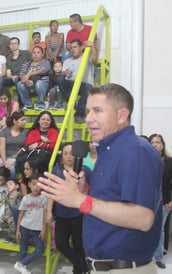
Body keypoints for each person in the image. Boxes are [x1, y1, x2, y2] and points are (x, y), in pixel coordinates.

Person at [38, 83, 163, 274]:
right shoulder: (108, 151)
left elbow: (143, 218)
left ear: (121, 115)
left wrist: (80, 200)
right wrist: (82, 190)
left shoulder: (135, 152)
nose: (88, 119)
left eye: (97, 111)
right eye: (88, 111)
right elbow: (110, 201)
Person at [48, 142, 90, 274]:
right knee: (61, 244)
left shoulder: (84, 169)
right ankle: (83, 265)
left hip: (78, 213)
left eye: (71, 153)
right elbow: (51, 193)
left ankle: (78, 270)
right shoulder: (57, 170)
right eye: (65, 153)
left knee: (79, 245)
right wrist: (49, 211)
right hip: (61, 214)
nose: (68, 156)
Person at [14, 175, 47, 274]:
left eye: (38, 185)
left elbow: (45, 215)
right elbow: (21, 214)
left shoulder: (44, 198)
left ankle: (21, 263)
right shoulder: (26, 199)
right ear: (29, 185)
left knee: (40, 250)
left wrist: (43, 229)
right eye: (33, 184)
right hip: (24, 227)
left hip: (37, 230)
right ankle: (23, 267)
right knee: (23, 249)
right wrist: (18, 230)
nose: (36, 187)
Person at [149, 133, 172, 269]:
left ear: (162, 145)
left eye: (158, 142)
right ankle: (147, 256)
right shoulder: (146, 159)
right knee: (146, 228)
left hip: (164, 201)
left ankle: (158, 257)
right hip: (147, 200)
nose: (156, 145)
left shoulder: (169, 162)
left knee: (159, 230)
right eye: (153, 142)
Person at [62, 39, 98, 122]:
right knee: (60, 79)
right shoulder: (67, 61)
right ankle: (71, 101)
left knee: (88, 89)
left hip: (84, 84)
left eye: (75, 47)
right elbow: (62, 73)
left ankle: (79, 114)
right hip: (71, 84)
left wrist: (92, 46)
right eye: (71, 48)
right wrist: (64, 73)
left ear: (81, 48)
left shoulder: (86, 57)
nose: (73, 49)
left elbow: (95, 61)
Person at [0, 111, 27, 179]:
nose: (24, 122)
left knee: (11, 169)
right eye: (22, 120)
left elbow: (25, 147)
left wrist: (13, 159)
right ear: (15, 121)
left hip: (16, 157)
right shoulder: (5, 131)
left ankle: (12, 184)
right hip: (3, 156)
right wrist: (4, 161)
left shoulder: (25, 133)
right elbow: (2, 147)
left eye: (25, 120)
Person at [16, 46, 51, 110]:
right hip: (29, 85)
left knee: (39, 83)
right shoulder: (26, 64)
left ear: (42, 54)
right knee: (19, 84)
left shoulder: (45, 62)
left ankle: (41, 105)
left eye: (38, 52)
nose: (36, 54)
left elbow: (43, 70)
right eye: (34, 53)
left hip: (42, 85)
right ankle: (28, 105)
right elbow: (21, 74)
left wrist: (29, 74)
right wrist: (25, 81)